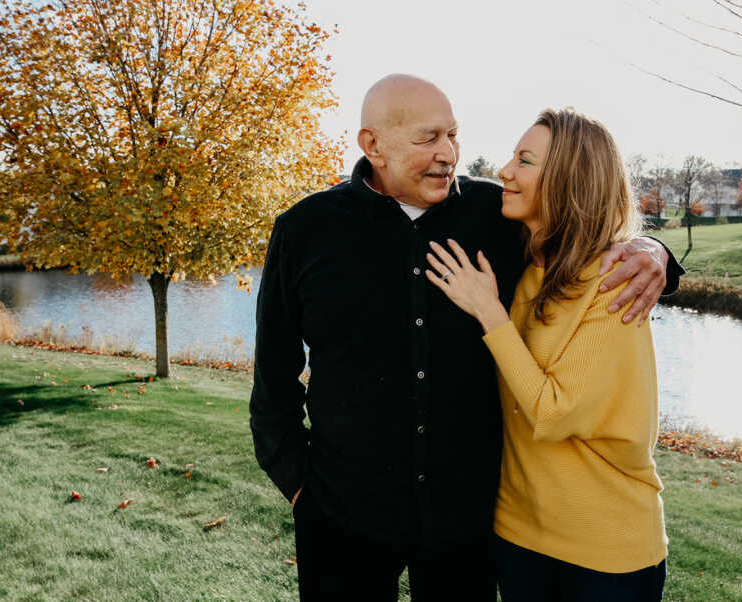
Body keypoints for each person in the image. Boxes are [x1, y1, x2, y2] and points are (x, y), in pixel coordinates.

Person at [249, 75, 681, 601]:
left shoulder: (498, 216)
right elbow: (274, 375)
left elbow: (583, 230)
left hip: (468, 528)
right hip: (341, 517)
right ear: (373, 145)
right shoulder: (304, 230)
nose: (448, 153)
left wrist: (654, 251)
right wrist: (299, 486)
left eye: (454, 135)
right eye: (428, 138)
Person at [426, 108, 668, 601]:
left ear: (568, 182)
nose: (504, 171)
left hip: (605, 550)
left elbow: (551, 412)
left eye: (524, 161)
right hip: (517, 534)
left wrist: (488, 311)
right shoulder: (524, 262)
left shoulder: (613, 281)